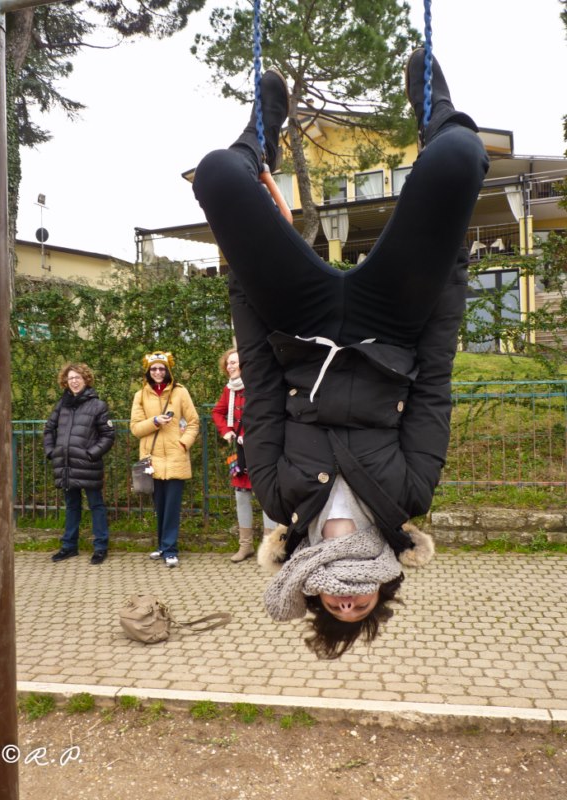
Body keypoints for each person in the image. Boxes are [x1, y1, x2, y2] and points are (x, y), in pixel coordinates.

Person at [193, 50, 489, 658]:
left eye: (335, 607)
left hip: (299, 325)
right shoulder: (407, 498)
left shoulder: (280, 499)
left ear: (311, 593)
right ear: (383, 591)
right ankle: (435, 117)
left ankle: (258, 141)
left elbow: (263, 389)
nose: (347, 601)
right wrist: (449, 274)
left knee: (217, 176)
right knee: (460, 157)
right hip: (391, 323)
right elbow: (433, 384)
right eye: (359, 608)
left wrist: (243, 284)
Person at [130, 351, 200, 567]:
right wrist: (155, 422)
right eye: (154, 369)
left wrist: (183, 443)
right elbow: (135, 428)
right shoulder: (140, 395)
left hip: (175, 457)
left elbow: (193, 422)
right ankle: (162, 546)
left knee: (172, 507)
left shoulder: (180, 392)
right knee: (159, 507)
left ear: (168, 370)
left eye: (162, 368)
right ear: (148, 372)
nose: (158, 372)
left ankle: (170, 549)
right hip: (152, 460)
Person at [44, 362, 115, 565]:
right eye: (70, 378)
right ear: (65, 382)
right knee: (72, 506)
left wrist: (91, 454)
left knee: (96, 505)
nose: (74, 381)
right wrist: (51, 452)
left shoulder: (98, 405)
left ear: (86, 380)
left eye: (78, 378)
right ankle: (69, 547)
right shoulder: (62, 405)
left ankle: (100, 547)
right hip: (66, 465)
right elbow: (49, 429)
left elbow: (108, 435)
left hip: (88, 465)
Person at [212, 347, 276, 562]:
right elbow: (217, 412)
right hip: (239, 453)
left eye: (234, 362)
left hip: (261, 451)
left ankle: (269, 548)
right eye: (228, 363)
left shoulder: (257, 387)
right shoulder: (228, 390)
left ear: (245, 365)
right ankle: (245, 546)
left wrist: (253, 435)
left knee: (266, 497)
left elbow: (268, 415)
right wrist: (226, 431)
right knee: (241, 497)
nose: (230, 366)